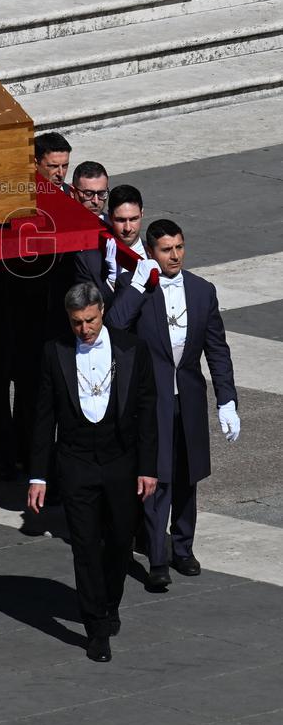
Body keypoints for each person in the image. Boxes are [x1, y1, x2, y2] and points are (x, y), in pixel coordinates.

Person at [106, 219, 240, 589]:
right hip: (152, 401)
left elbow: (217, 349)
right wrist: (136, 284)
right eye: (167, 250)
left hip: (190, 398)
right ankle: (157, 557)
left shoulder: (201, 290)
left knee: (187, 475)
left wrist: (226, 400)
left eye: (179, 247)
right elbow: (113, 326)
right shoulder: (138, 290)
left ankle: (184, 548)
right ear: (151, 252)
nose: (175, 256)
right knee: (157, 479)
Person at [28, 283, 158, 662]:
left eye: (90, 321)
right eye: (76, 323)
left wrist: (148, 467)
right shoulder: (55, 352)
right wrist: (39, 476)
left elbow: (149, 411)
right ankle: (96, 627)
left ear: (102, 310)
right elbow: (43, 416)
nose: (84, 329)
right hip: (76, 459)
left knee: (119, 541)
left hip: (121, 459)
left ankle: (110, 601)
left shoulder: (133, 348)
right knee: (84, 545)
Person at [74, 184, 145, 310]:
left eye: (133, 219)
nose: (128, 228)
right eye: (121, 220)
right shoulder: (88, 260)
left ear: (142, 214)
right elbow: (87, 311)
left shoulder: (156, 252)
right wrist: (111, 281)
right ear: (110, 216)